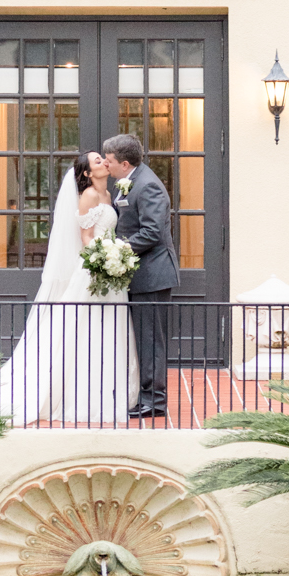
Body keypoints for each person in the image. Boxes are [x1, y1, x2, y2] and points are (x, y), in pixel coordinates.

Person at [0, 150, 137, 426]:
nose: (103, 162)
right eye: (96, 161)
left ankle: (109, 388)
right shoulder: (89, 196)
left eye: (102, 159)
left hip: (111, 273)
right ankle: (79, 394)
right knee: (83, 330)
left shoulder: (109, 195)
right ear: (87, 174)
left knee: (108, 329)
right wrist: (105, 259)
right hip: (95, 271)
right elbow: (86, 237)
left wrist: (117, 257)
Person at [102, 132, 179, 420]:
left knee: (151, 341)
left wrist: (115, 249)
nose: (106, 166)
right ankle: (143, 395)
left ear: (124, 163)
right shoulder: (129, 181)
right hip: (139, 275)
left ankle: (154, 403)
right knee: (142, 340)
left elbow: (152, 232)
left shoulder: (148, 186)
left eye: (109, 161)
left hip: (153, 276)